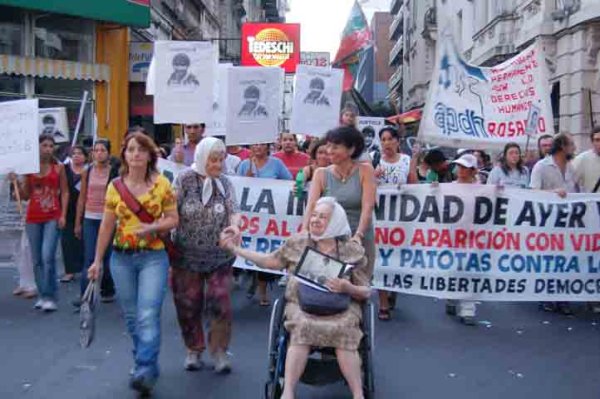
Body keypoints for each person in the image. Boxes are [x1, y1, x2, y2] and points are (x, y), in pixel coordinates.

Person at [220, 197, 371, 399]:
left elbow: (366, 292)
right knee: (301, 325)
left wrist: (348, 287)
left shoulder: (350, 250)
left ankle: (358, 394)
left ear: (335, 222)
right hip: (302, 304)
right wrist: (235, 250)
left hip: (341, 306)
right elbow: (268, 261)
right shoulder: (298, 242)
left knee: (344, 330)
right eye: (314, 215)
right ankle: (288, 392)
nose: (315, 220)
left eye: (323, 217)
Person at [87, 132, 178, 395]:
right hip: (121, 258)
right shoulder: (115, 186)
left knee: (147, 313)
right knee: (131, 316)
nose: (135, 154)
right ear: (124, 155)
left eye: (140, 150)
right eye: (130, 150)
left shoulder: (162, 184)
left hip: (153, 257)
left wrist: (153, 226)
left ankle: (145, 368)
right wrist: (97, 261)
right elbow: (106, 225)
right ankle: (143, 361)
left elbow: (174, 219)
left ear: (150, 155)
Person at [171, 137, 241, 373]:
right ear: (202, 158)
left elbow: (234, 210)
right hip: (186, 256)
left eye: (221, 159)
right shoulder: (184, 180)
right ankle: (194, 348)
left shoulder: (225, 183)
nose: (218, 164)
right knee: (188, 303)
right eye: (213, 159)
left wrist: (235, 227)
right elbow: (172, 210)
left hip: (219, 255)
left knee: (220, 301)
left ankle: (219, 351)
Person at [304, 126, 377, 281]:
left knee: (358, 286)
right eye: (328, 145)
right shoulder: (321, 174)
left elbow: (368, 207)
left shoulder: (365, 170)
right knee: (325, 286)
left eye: (335, 147)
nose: (329, 150)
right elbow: (311, 207)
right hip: (328, 240)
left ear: (351, 150)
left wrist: (358, 235)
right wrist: (305, 233)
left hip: (359, 236)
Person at [9, 135, 69, 312]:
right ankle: (43, 294)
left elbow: (64, 192)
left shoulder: (59, 168)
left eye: (51, 146)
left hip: (53, 215)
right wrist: (16, 184)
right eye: (45, 145)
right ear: (38, 147)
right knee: (36, 260)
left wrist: (63, 214)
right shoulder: (29, 170)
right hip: (33, 217)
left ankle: (50, 296)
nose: (48, 149)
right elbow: (25, 195)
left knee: (47, 257)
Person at [238, 143, 293, 305]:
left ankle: (262, 292)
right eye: (255, 144)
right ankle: (252, 278)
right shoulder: (244, 165)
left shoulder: (276, 164)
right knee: (248, 251)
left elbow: (288, 184)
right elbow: (235, 186)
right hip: (249, 218)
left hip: (270, 219)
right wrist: (246, 178)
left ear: (268, 147)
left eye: (262, 144)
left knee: (265, 251)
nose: (258, 147)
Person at [530, 133, 578, 315]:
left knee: (565, 260)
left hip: (568, 222)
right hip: (547, 221)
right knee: (549, 260)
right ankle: (547, 296)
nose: (574, 148)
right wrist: (553, 193)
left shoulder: (572, 168)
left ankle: (563, 298)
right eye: (571, 144)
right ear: (563, 147)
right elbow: (533, 193)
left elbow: (576, 191)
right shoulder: (541, 167)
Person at [373, 126, 414, 320]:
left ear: (397, 141)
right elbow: (365, 185)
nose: (386, 143)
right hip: (380, 218)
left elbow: (415, 187)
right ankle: (382, 303)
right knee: (380, 258)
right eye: (383, 139)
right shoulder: (374, 159)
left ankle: (392, 289)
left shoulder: (407, 160)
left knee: (396, 258)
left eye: (390, 139)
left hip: (400, 219)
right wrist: (374, 177)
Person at [75, 139, 119, 304]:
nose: (98, 153)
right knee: (89, 257)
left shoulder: (114, 172)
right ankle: (85, 295)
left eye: (102, 150)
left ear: (108, 153)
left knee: (107, 258)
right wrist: (78, 222)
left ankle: (107, 289)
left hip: (108, 219)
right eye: (96, 150)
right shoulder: (88, 171)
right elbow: (82, 197)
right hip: (90, 218)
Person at [444, 153, 480, 325]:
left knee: (470, 271)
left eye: (465, 167)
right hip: (453, 235)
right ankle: (451, 296)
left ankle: (468, 309)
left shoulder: (482, 189)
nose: (461, 170)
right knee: (454, 269)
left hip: (474, 236)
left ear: (473, 170)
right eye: (459, 166)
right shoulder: (449, 187)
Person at [59, 145, 87, 283]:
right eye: (74, 153)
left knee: (83, 240)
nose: (76, 156)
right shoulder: (64, 169)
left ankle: (83, 267)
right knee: (67, 240)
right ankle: (69, 271)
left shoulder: (89, 170)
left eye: (80, 153)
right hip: (67, 208)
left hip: (85, 209)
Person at [573, 127, 600, 193]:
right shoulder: (582, 159)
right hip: (592, 201)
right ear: (592, 142)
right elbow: (569, 183)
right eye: (597, 140)